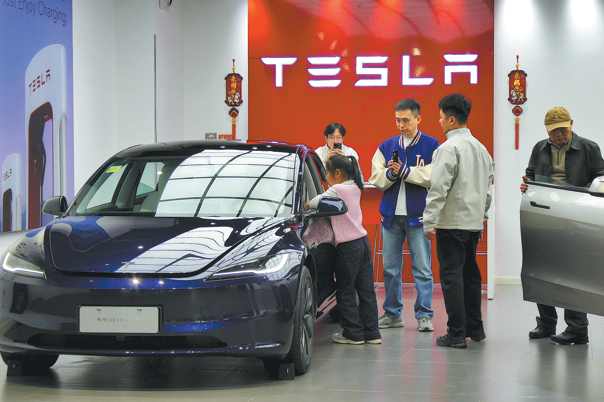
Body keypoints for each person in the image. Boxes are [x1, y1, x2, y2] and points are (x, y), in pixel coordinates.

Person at [521, 106, 604, 345]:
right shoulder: (539, 148)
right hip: (544, 215)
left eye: (562, 129)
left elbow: (600, 178)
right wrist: (527, 184)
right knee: (541, 268)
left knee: (572, 271)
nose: (558, 134)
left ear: (571, 124)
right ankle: (546, 323)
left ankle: (577, 329)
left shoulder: (589, 147)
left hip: (574, 216)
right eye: (553, 130)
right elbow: (530, 174)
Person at [424, 93, 493, 349]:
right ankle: (475, 329)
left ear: (451, 119)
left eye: (441, 117)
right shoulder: (482, 149)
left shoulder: (448, 148)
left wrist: (429, 221)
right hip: (473, 223)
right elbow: (488, 190)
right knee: (470, 276)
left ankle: (455, 334)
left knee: (452, 278)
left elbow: (438, 188)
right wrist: (482, 217)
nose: (439, 121)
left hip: (451, 224)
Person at [369, 98, 439, 332]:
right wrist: (391, 174)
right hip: (390, 217)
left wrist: (406, 171)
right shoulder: (387, 145)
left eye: (406, 120)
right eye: (397, 120)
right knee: (390, 268)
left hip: (418, 217)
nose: (401, 125)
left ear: (418, 119)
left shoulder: (431, 145)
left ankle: (424, 315)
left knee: (422, 268)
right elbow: (375, 177)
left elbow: (434, 175)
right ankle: (392, 314)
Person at [307, 154, 381, 345]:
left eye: (327, 173)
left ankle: (353, 333)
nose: (326, 178)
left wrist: (306, 204)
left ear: (337, 173)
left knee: (345, 290)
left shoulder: (337, 189)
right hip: (363, 242)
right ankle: (372, 333)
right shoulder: (356, 186)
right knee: (366, 290)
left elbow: (312, 203)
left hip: (348, 247)